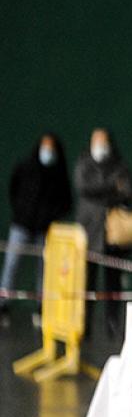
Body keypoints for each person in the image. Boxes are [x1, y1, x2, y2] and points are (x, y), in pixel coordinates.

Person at [2, 133, 71, 324]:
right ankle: (3, 305)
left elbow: (66, 202)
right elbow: (13, 188)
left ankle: (42, 309)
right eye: (45, 146)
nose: (47, 151)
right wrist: (21, 212)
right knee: (12, 264)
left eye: (51, 147)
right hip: (21, 226)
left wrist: (50, 218)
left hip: (45, 230)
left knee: (46, 270)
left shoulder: (59, 174)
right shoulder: (25, 167)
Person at [75, 127, 132, 333]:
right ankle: (85, 324)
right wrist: (111, 187)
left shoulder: (120, 164)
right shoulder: (83, 163)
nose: (100, 145)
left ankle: (113, 323)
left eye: (103, 141)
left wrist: (102, 191)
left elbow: (126, 191)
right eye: (96, 141)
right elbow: (84, 187)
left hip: (113, 235)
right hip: (88, 233)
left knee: (113, 282)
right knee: (86, 282)